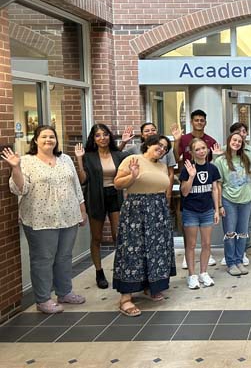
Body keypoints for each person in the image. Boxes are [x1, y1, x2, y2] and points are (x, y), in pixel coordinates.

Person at [4, 125, 87, 314]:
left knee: (64, 257)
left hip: (68, 215)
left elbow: (75, 186)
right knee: (43, 259)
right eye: (44, 137)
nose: (48, 140)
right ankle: (43, 299)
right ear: (35, 140)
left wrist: (82, 209)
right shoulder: (25, 161)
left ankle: (64, 292)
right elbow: (19, 189)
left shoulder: (64, 159)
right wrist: (15, 168)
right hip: (40, 218)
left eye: (52, 136)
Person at [112, 134, 176, 317]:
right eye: (159, 145)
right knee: (132, 250)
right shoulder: (132, 159)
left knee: (157, 249)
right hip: (136, 209)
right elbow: (117, 184)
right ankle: (126, 297)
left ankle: (152, 286)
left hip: (158, 210)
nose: (162, 149)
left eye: (165, 148)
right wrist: (132, 176)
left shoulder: (163, 166)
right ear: (148, 144)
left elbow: (163, 188)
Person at [75, 124, 128, 289]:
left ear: (109, 136)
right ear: (94, 138)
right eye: (98, 135)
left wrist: (124, 143)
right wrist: (79, 160)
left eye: (105, 134)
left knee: (117, 235)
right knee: (97, 237)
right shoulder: (88, 156)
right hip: (96, 196)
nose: (102, 138)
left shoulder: (117, 154)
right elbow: (83, 180)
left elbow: (118, 163)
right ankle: (99, 272)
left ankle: (121, 269)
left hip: (115, 195)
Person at [215, 132, 251, 276]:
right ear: (229, 141)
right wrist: (219, 205)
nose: (236, 143)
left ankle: (239, 260)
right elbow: (218, 185)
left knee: (243, 233)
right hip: (229, 200)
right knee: (230, 233)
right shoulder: (221, 161)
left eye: (239, 141)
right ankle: (231, 262)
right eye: (234, 140)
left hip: (246, 200)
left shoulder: (245, 158)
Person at [180, 138, 221, 289]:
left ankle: (203, 272)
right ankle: (192, 275)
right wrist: (191, 176)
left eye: (203, 148)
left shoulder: (212, 168)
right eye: (197, 149)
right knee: (191, 245)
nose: (201, 151)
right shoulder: (187, 169)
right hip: (191, 211)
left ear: (208, 149)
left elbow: (215, 189)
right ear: (192, 152)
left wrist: (216, 210)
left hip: (207, 211)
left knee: (206, 243)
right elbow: (184, 192)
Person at [119, 122, 178, 205]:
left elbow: (170, 174)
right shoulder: (135, 149)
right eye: (147, 131)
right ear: (142, 135)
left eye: (153, 130)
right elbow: (117, 155)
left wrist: (168, 194)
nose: (150, 132)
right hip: (140, 196)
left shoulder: (165, 149)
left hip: (160, 194)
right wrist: (123, 142)